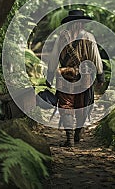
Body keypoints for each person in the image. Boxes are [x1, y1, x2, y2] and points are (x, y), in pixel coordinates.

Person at [46, 9, 105, 147]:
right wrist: (100, 76)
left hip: (65, 77)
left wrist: (49, 77)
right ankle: (77, 133)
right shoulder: (89, 37)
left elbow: (54, 58)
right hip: (85, 78)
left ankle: (70, 139)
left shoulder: (61, 37)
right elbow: (95, 57)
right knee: (82, 105)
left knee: (66, 105)